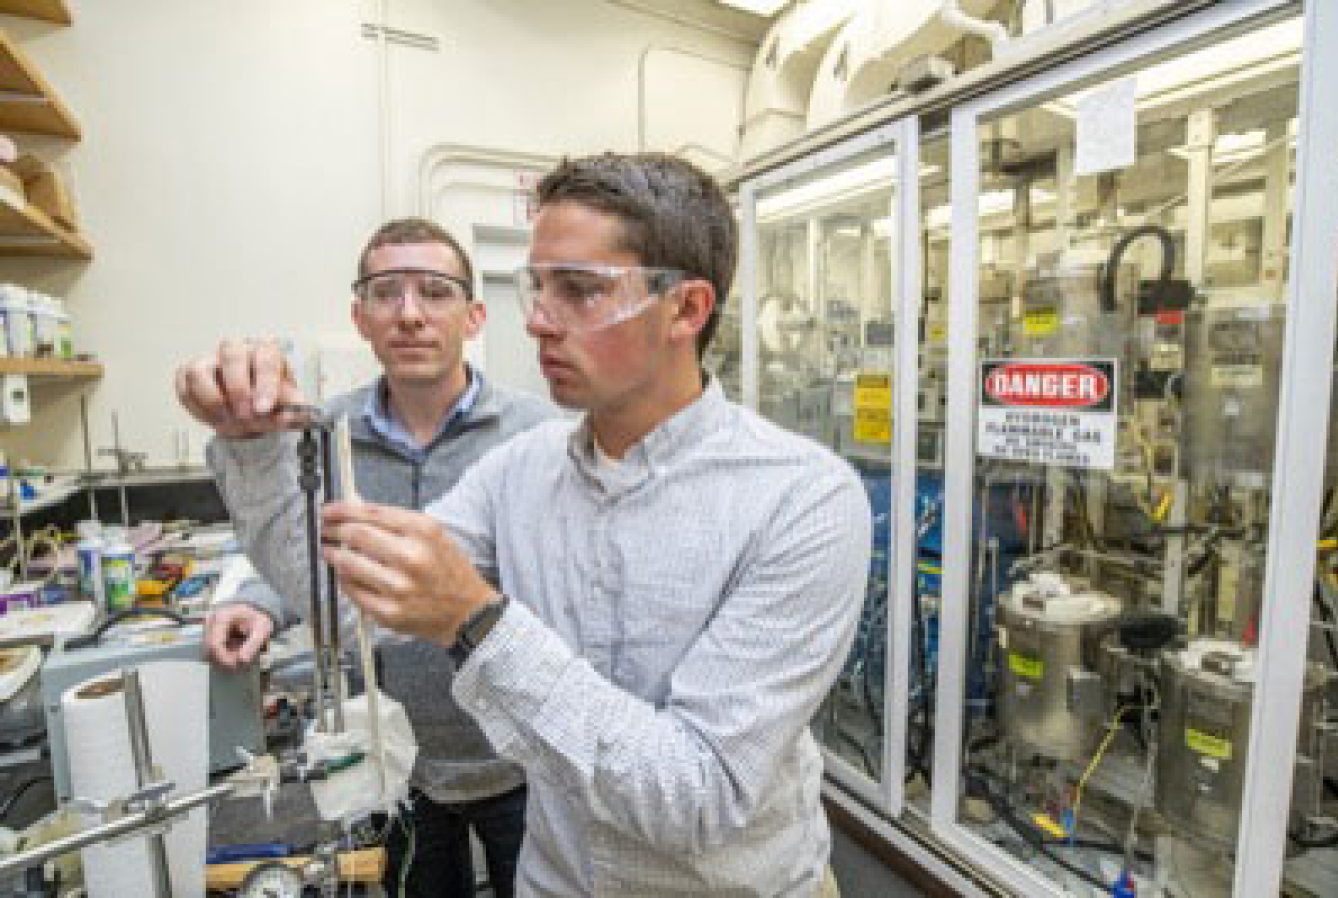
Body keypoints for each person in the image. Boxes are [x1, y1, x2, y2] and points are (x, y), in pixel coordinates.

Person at [183, 153, 869, 897]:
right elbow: (350, 600)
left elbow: (696, 795)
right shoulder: (523, 469)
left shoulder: (803, 501)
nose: (540, 320)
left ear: (687, 310)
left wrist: (477, 622)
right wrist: (252, 447)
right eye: (535, 287)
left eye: (579, 291)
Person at [176, 217, 553, 897]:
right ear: (360, 316)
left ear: (473, 316)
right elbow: (304, 556)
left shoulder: (536, 434)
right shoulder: (321, 433)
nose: (409, 314)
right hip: (395, 761)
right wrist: (256, 599)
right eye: (387, 293)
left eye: (434, 292)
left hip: (518, 760)